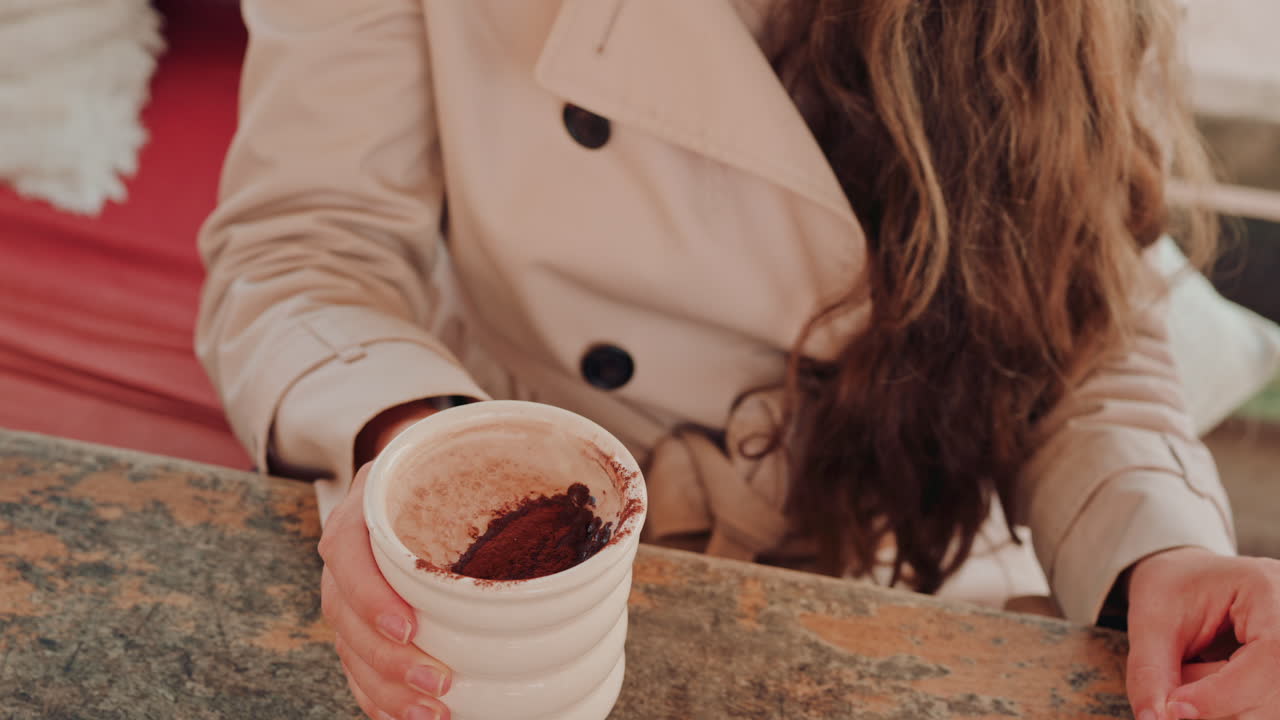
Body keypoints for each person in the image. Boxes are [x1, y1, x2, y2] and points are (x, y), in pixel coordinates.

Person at [197, 1, 1280, 719]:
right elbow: (304, 248)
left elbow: (1075, 323)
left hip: (916, 572)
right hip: (535, 567)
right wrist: (422, 451)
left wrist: (1157, 551)